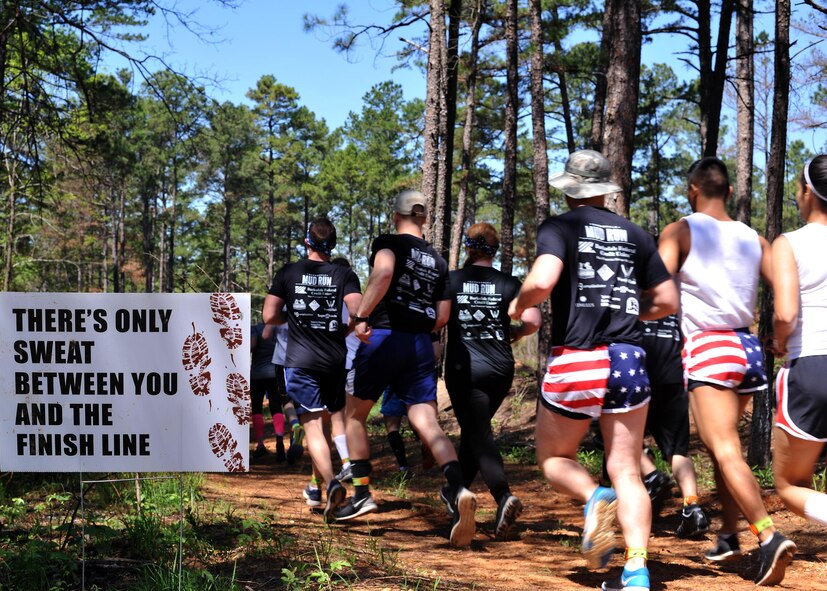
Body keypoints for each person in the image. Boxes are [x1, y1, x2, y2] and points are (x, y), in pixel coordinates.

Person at [508, 150, 678, 591]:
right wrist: (625, 312)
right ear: (606, 190)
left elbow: (544, 281)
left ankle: (592, 497)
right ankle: (637, 569)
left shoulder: (560, 227)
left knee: (554, 458)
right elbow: (666, 301)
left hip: (579, 357)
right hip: (628, 360)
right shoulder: (637, 234)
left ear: (569, 188)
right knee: (627, 470)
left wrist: (520, 303)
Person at [658, 156, 795, 586]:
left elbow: (657, 285)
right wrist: (782, 335)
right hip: (748, 347)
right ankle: (729, 534)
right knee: (725, 446)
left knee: (724, 449)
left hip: (709, 346)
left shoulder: (680, 230)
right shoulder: (754, 238)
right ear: (729, 192)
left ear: (692, 189)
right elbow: (786, 285)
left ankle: (768, 535)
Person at [334, 189, 478, 548]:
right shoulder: (439, 261)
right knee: (426, 420)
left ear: (395, 215)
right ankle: (458, 487)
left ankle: (363, 493)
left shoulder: (388, 243)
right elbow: (442, 316)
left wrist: (362, 315)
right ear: (424, 218)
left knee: (354, 415)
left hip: (383, 337)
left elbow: (382, 274)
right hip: (419, 344)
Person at [445, 222, 541, 539]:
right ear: (495, 249)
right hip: (500, 368)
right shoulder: (508, 283)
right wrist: (514, 332)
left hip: (465, 368)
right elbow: (532, 320)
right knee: (476, 433)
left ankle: (503, 496)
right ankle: (454, 492)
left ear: (469, 246)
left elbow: (440, 318)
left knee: (478, 433)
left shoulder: (454, 280)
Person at [263, 217, 362, 523]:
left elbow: (269, 315)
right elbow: (357, 312)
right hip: (334, 360)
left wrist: (292, 320)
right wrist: (342, 330)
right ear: (332, 245)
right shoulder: (345, 274)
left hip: (301, 360)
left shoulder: (289, 272)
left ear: (307, 241)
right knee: (330, 424)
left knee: (312, 427)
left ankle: (332, 483)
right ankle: (317, 488)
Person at [771, 156, 827, 536]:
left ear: (807, 192)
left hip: (813, 367)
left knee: (790, 483)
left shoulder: (789, 243)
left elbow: (787, 314)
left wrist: (778, 340)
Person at [639, 314, 709, 537]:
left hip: (637, 372)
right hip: (673, 374)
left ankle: (652, 476)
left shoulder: (628, 286)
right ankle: (692, 506)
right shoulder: (672, 293)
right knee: (678, 451)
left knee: (621, 441)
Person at [250, 322, 286, 461]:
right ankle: (279, 439)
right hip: (275, 374)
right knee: (276, 408)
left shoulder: (256, 329)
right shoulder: (279, 329)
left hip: (257, 375)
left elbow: (251, 346)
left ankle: (260, 445)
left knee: (257, 409)